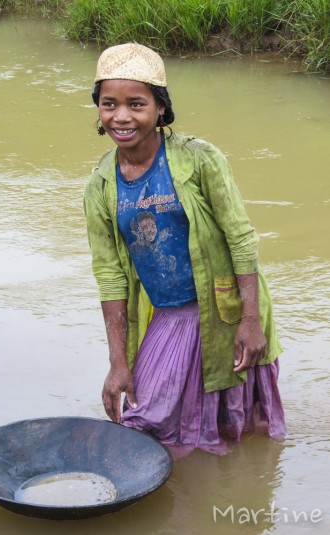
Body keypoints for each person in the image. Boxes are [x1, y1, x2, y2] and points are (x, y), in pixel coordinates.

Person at [84, 43, 286, 456]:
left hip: (225, 312)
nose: (122, 117)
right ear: (100, 111)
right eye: (109, 104)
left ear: (160, 109)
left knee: (233, 426)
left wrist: (251, 321)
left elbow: (241, 238)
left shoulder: (200, 160)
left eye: (136, 104)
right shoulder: (100, 186)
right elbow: (110, 276)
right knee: (149, 421)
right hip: (169, 315)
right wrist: (118, 364)